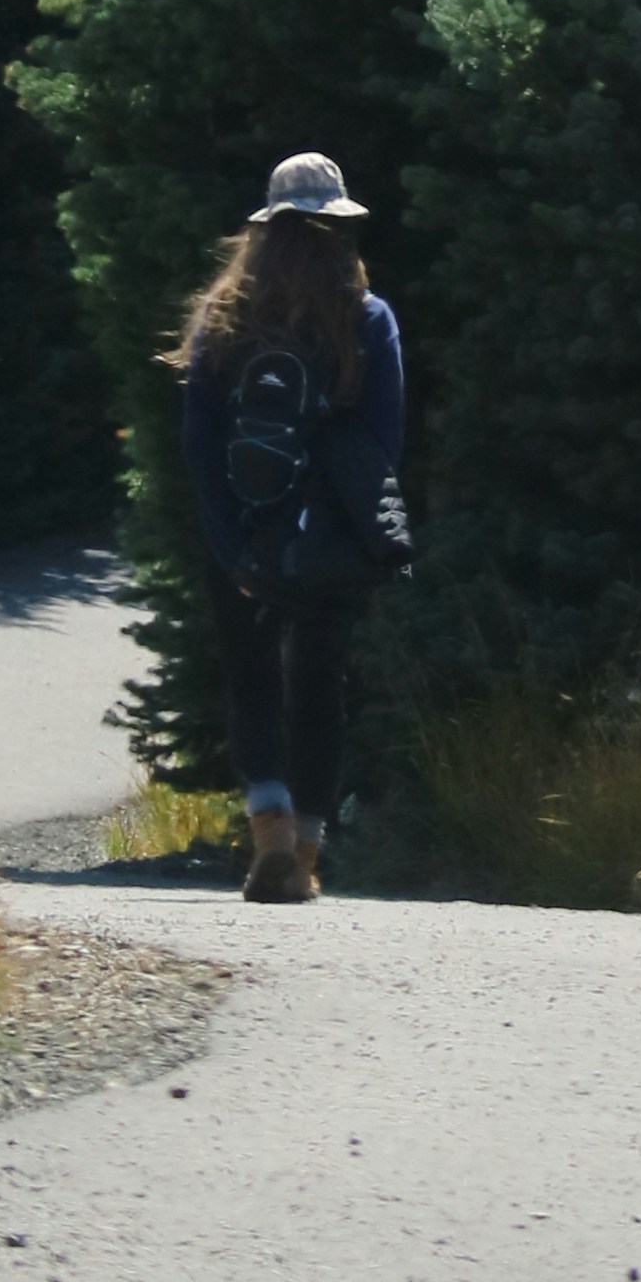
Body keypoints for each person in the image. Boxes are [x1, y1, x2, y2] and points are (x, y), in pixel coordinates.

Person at [173, 149, 408, 904]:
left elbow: (200, 443)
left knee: (250, 676)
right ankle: (304, 851)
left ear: (265, 231)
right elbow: (382, 441)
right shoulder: (367, 318)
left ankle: (267, 821)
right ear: (338, 227)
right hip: (327, 538)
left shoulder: (223, 316)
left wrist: (230, 543)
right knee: (317, 681)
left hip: (244, 523)